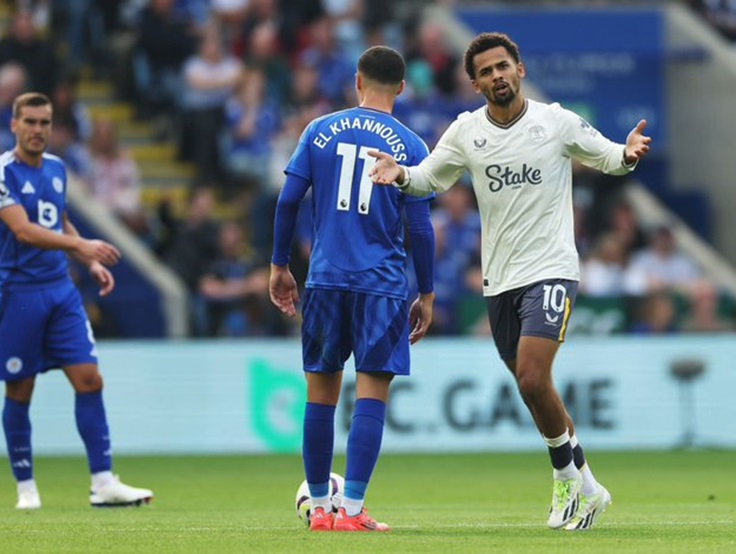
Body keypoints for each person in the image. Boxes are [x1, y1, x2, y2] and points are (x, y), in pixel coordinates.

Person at [368, 32, 652, 531]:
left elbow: (608, 157)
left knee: (531, 376)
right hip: (500, 281)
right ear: (475, 84)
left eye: (503, 66)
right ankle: (589, 486)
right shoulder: (465, 132)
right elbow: (430, 178)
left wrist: (627, 153)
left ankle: (565, 477)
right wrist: (400, 173)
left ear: (519, 69)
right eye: (486, 71)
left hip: (552, 268)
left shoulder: (554, 121)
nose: (497, 75)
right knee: (536, 390)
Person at [269, 45, 436, 532]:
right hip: (381, 286)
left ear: (357, 81)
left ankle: (320, 509)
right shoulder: (411, 145)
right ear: (401, 88)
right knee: (370, 396)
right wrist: (425, 292)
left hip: (324, 278)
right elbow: (421, 230)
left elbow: (287, 201)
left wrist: (279, 265)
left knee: (319, 394)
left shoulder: (319, 129)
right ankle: (355, 510)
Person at [0, 92, 153, 510]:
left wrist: (85, 260)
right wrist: (83, 245)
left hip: (60, 290)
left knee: (89, 379)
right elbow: (23, 230)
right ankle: (26, 487)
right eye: (31, 122)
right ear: (14, 125)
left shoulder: (57, 169)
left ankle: (103, 481)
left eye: (45, 123)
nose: (38, 130)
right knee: (21, 390)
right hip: (17, 293)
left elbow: (55, 218)